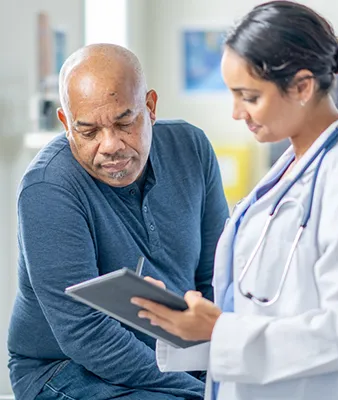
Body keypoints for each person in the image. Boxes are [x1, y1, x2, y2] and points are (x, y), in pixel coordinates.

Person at [131, 2, 338, 399]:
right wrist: (190, 325)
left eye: (249, 96)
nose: (237, 112)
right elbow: (258, 312)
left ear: (303, 86)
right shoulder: (289, 171)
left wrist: (220, 332)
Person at [7, 44, 229, 400]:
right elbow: (85, 332)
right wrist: (204, 393)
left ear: (151, 107)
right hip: (67, 368)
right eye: (89, 131)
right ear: (66, 124)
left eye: (125, 123)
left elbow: (216, 279)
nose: (110, 145)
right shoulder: (48, 188)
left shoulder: (192, 148)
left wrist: (226, 370)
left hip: (177, 355)